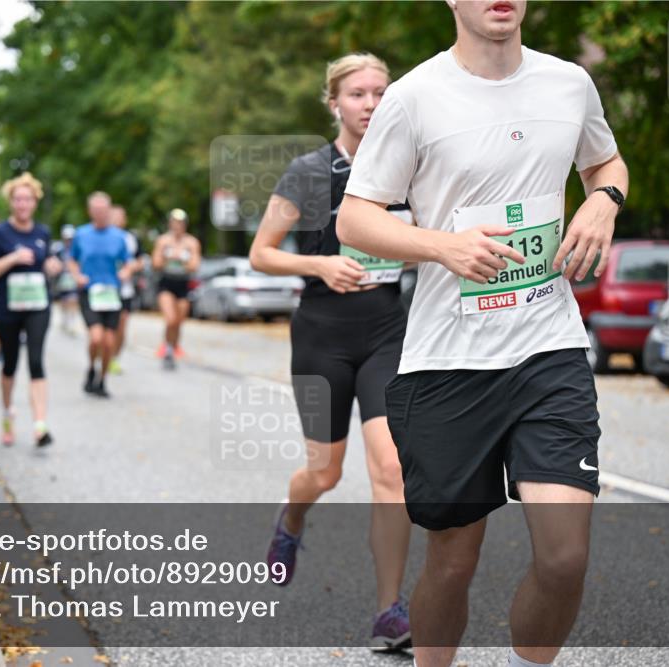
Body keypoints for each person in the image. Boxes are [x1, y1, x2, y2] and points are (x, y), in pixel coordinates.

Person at [337, 2, 628, 666]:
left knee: (564, 556)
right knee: (452, 557)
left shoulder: (568, 83)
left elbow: (606, 165)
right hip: (448, 360)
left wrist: (603, 203)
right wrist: (442, 246)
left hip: (549, 347)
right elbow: (356, 219)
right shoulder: (413, 98)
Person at [249, 52, 413, 651]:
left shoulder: (408, 169)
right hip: (321, 335)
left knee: (392, 468)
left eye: (379, 93)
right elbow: (262, 253)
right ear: (334, 103)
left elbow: (423, 241)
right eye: (357, 94)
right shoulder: (309, 173)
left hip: (386, 333)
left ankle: (390, 611)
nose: (370, 104)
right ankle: (292, 519)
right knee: (324, 471)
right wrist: (319, 262)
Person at [0, 173, 64, 447]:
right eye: (18, 199)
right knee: (11, 364)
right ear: (11, 202)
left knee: (37, 361)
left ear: (34, 202)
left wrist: (52, 266)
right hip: (8, 307)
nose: (22, 204)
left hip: (38, 305)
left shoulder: (42, 232)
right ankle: (7, 415)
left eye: (27, 199)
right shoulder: (0, 233)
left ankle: (40, 425)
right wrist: (13, 258)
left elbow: (48, 260)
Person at [66, 192, 135, 398]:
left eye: (104, 210)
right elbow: (71, 260)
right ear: (90, 212)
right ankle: (91, 368)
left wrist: (126, 271)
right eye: (96, 210)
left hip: (111, 293)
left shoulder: (119, 237)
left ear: (109, 211)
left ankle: (102, 380)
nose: (100, 214)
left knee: (108, 342)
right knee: (96, 338)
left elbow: (129, 261)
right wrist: (77, 275)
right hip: (90, 293)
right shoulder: (81, 234)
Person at [152, 209, 201, 369]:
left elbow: (195, 265)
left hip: (183, 284)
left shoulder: (191, 242)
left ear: (185, 225)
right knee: (170, 319)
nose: (177, 226)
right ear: (170, 223)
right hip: (167, 283)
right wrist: (169, 258)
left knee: (179, 322)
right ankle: (167, 348)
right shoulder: (163, 241)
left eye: (180, 223)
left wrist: (182, 260)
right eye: (174, 222)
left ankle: (172, 347)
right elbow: (155, 263)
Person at [109, 204, 142, 375]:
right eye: (112, 216)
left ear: (124, 219)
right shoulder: (100, 236)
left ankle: (114, 358)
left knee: (121, 327)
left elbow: (139, 260)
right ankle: (104, 356)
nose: (115, 220)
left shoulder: (130, 238)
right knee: (106, 329)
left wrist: (129, 269)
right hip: (104, 290)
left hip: (124, 290)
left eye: (119, 216)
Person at [52, 224, 82, 336]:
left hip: (72, 277)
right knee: (64, 300)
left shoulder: (76, 249)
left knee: (73, 299)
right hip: (61, 278)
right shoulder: (59, 249)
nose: (69, 241)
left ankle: (72, 322)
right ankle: (64, 318)